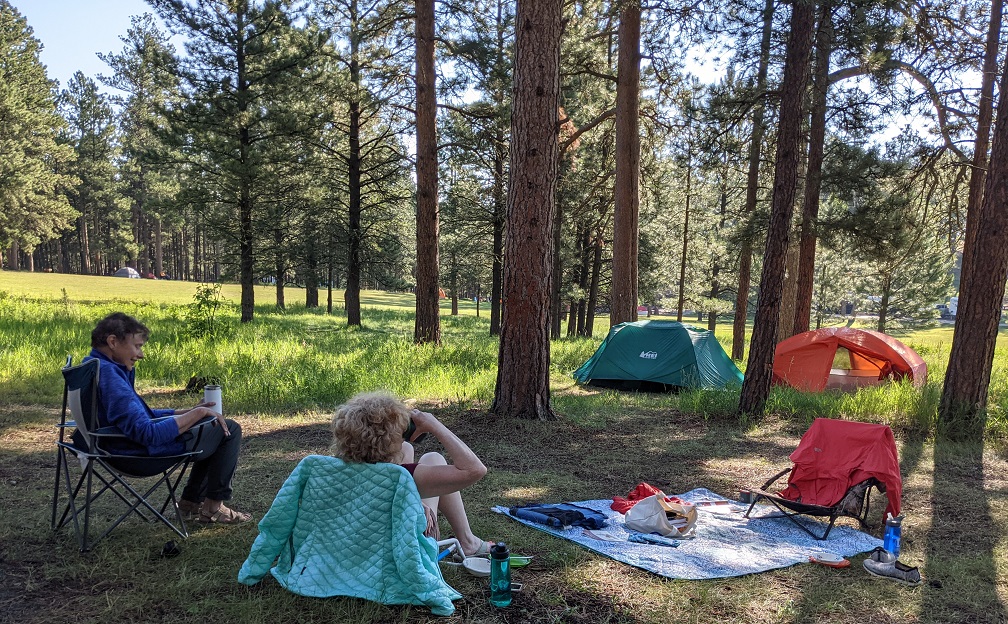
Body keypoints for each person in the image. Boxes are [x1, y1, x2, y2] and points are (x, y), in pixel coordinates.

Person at [87, 312, 251, 524]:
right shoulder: (111, 378)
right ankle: (212, 507)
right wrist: (198, 413)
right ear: (113, 342)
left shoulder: (96, 366)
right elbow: (148, 434)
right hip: (134, 455)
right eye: (137, 346)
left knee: (208, 426)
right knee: (228, 429)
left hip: (115, 444)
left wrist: (183, 413)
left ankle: (190, 504)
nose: (141, 354)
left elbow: (140, 416)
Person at [331, 391, 491, 557]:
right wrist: (435, 425)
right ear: (389, 438)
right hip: (405, 549)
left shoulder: (330, 469)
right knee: (435, 459)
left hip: (358, 544)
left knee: (408, 449)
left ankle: (468, 541)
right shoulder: (399, 477)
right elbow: (475, 469)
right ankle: (468, 542)